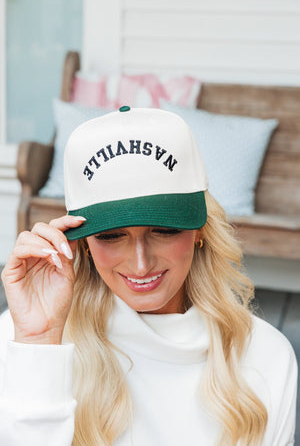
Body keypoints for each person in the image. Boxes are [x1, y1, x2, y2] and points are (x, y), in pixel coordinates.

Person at [0, 106, 297, 446]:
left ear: (200, 230)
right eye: (111, 235)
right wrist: (40, 344)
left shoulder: (267, 355)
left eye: (164, 230)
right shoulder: (20, 338)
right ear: (81, 244)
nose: (140, 265)